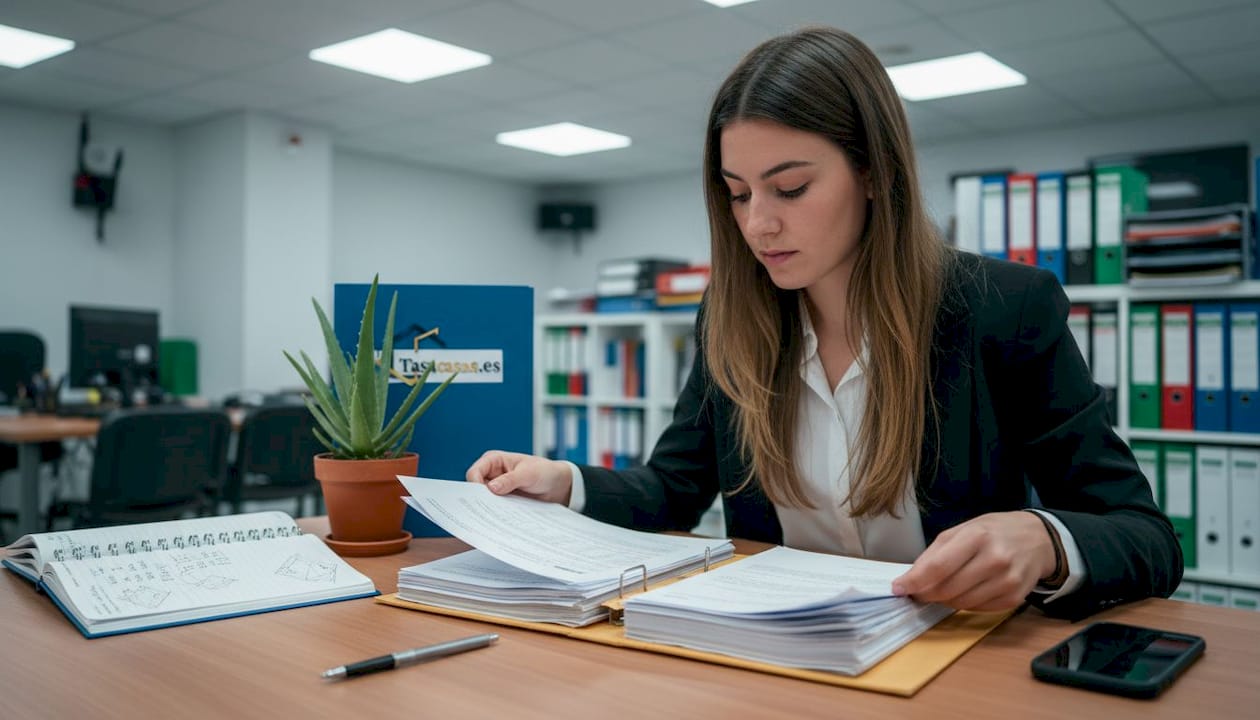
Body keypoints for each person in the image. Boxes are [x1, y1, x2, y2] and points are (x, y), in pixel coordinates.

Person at [468, 26, 1182, 619]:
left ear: (874, 172)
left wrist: (1045, 540)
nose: (758, 223)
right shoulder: (730, 314)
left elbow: (1144, 535)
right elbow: (674, 488)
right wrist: (564, 482)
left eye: (790, 187)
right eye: (738, 193)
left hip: (952, 661)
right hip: (781, 652)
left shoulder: (1006, 306)